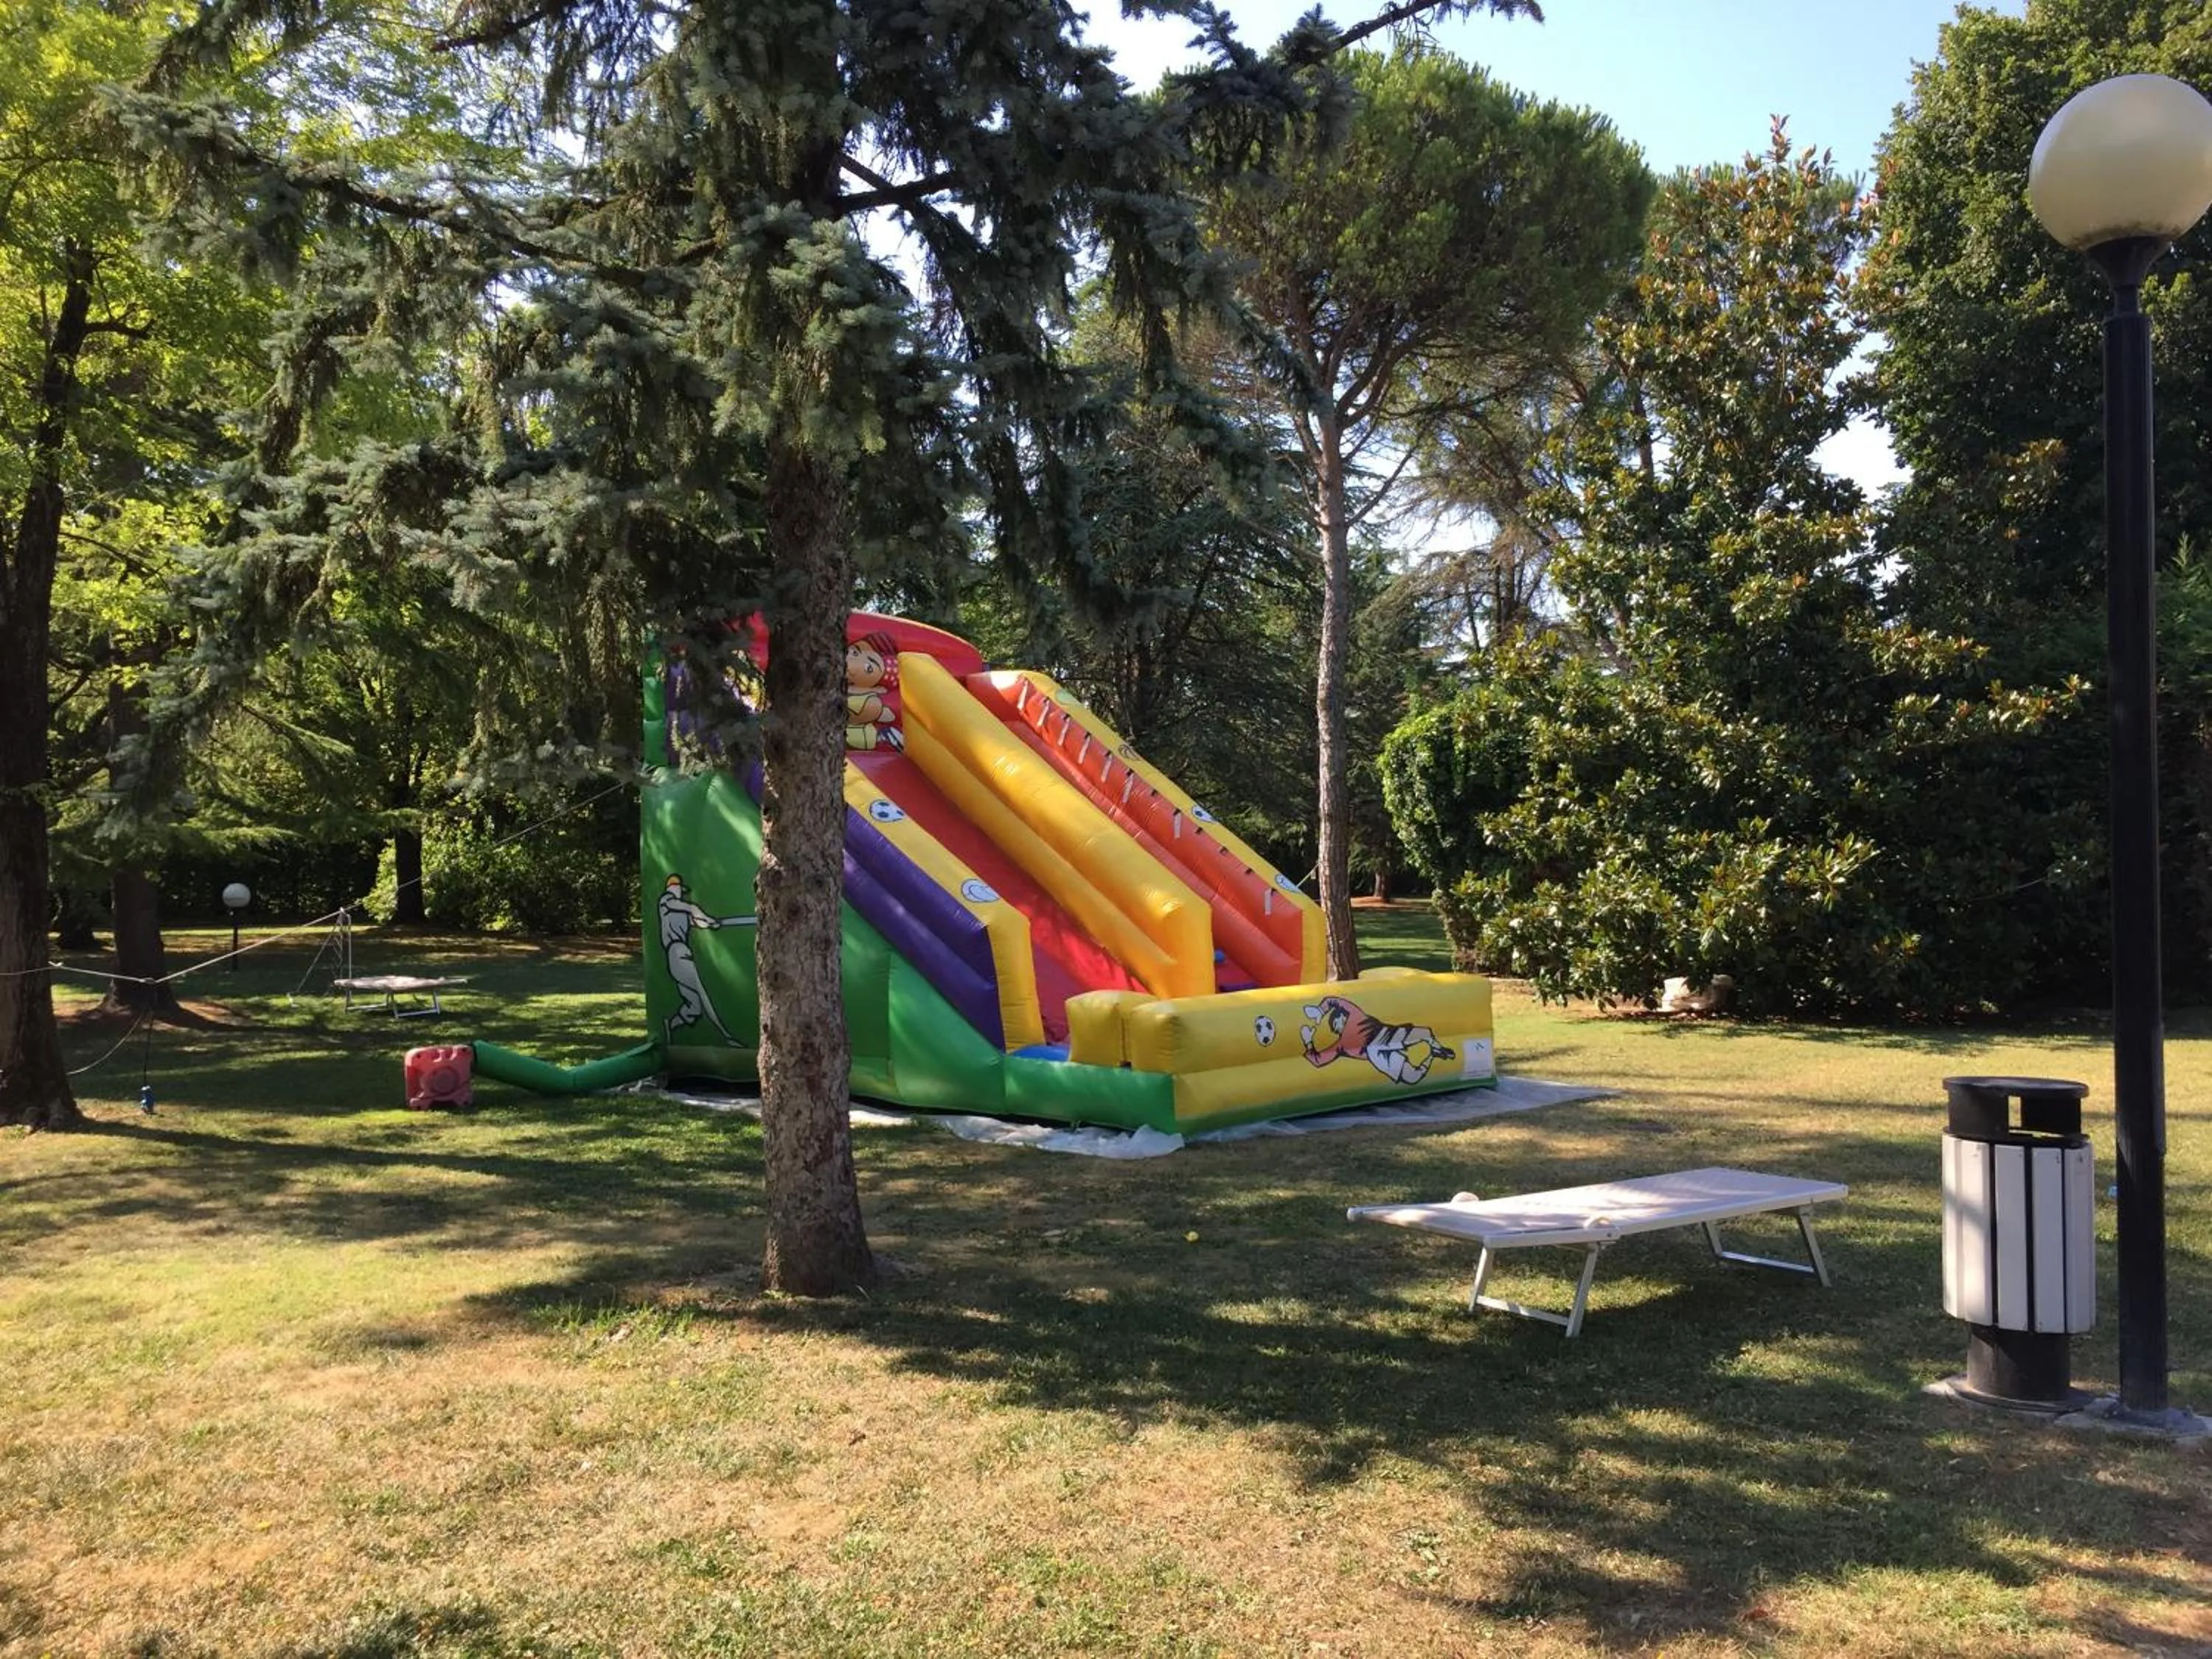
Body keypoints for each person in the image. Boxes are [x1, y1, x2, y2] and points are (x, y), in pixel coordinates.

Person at [658, 873, 751, 1043]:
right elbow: (692, 909)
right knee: (702, 992)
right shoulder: (666, 900)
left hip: (680, 954)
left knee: (694, 1008)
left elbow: (697, 921)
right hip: (677, 952)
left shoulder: (679, 910)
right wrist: (706, 918)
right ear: (674, 888)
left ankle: (670, 1026)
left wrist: (711, 923)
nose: (681, 893)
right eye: (680, 890)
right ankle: (727, 1037)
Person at [845, 631, 905, 751]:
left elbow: (854, 717)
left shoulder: (872, 701)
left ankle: (887, 737)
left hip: (856, 738)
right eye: (854, 652)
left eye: (869, 668)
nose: (853, 661)